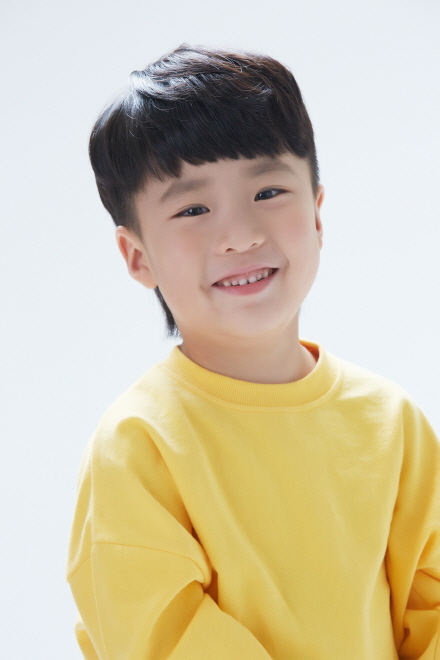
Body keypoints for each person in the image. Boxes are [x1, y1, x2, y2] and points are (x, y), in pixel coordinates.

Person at [66, 43, 440, 660]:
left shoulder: (392, 422)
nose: (240, 235)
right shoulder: (139, 445)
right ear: (137, 255)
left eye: (268, 192)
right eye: (192, 208)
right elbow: (160, 635)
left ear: (317, 213)